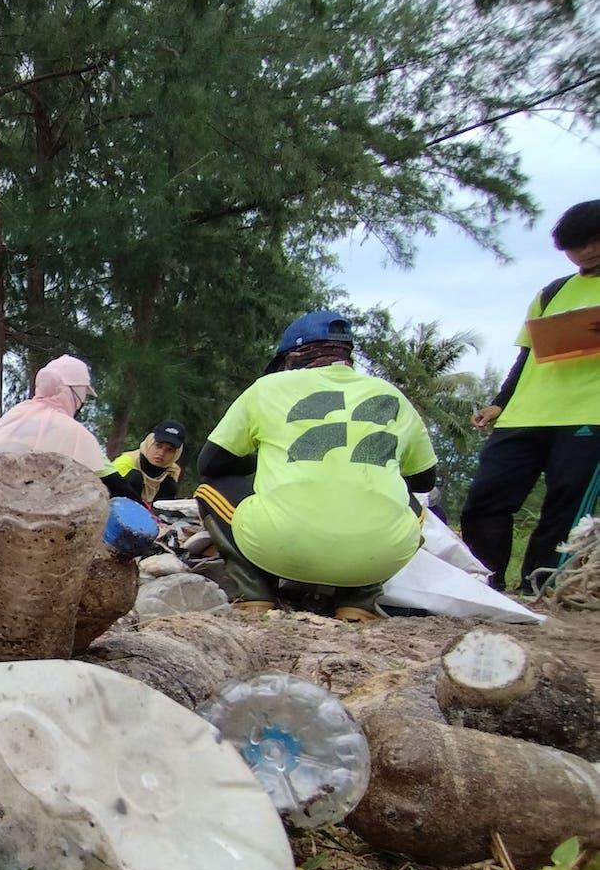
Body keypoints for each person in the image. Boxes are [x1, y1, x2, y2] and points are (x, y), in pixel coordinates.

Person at [194, 311, 437, 621]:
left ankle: (255, 594)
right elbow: (423, 480)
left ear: (293, 357)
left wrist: (267, 454)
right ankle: (357, 602)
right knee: (410, 506)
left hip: (278, 544)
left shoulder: (267, 387)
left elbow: (212, 463)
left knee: (210, 489)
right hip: (377, 557)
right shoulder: (393, 396)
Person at [460, 199, 600, 594]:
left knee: (567, 506)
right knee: (485, 499)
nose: (587, 251)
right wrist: (500, 401)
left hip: (589, 414)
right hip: (526, 412)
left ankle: (538, 588)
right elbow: (526, 355)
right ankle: (481, 583)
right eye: (577, 245)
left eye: (594, 241)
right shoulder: (553, 292)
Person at [0, 354, 127, 523]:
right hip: (14, 523)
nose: (82, 402)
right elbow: (102, 480)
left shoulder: (19, 413)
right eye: (83, 394)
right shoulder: (70, 430)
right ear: (73, 390)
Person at [111, 420, 186, 506]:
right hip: (116, 509)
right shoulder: (126, 461)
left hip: (150, 516)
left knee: (169, 486)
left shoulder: (172, 471)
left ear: (176, 453)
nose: (161, 453)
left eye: (169, 450)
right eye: (158, 446)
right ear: (149, 442)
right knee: (135, 477)